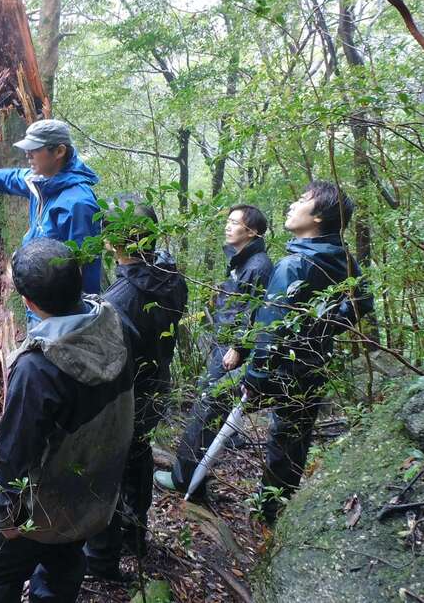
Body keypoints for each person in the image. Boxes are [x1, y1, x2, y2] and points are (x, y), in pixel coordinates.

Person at [0, 238, 134, 603]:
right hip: (91, 497)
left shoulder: (38, 368)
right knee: (63, 568)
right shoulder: (112, 323)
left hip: (41, 509)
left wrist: (7, 515)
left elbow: (15, 453)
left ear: (28, 303)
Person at [241, 181, 373, 523]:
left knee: (283, 439)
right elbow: (363, 303)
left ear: (318, 218)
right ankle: (277, 507)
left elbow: (270, 330)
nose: (292, 204)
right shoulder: (343, 259)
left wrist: (255, 377)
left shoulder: (292, 266)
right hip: (317, 363)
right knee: (296, 439)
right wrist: (325, 328)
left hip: (288, 368)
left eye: (302, 200)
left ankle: (267, 514)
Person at [84, 195, 188, 580]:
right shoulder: (172, 278)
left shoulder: (116, 302)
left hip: (127, 398)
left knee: (110, 467)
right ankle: (136, 533)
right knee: (139, 453)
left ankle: (103, 559)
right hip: (157, 386)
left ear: (110, 241)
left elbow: (109, 365)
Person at [154, 204, 273, 497]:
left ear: (252, 232)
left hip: (231, 351)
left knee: (206, 409)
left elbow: (258, 312)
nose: (228, 226)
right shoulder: (242, 260)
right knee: (208, 407)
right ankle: (193, 476)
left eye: (235, 223)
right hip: (223, 343)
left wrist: (239, 347)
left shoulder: (258, 265)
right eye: (228, 221)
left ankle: (184, 479)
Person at [0, 118, 102, 296]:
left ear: (59, 151)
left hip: (58, 313)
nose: (27, 154)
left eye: (34, 149)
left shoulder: (78, 205)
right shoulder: (41, 180)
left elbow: (85, 272)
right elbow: (9, 178)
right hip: (37, 301)